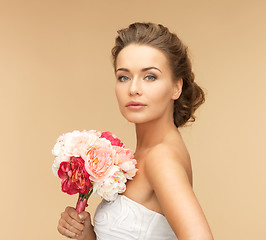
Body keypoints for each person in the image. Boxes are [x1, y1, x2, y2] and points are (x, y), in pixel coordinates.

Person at [57, 22, 214, 240]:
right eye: (124, 77)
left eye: (150, 76)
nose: (133, 89)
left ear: (177, 87)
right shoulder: (141, 156)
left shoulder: (161, 157)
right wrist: (87, 235)